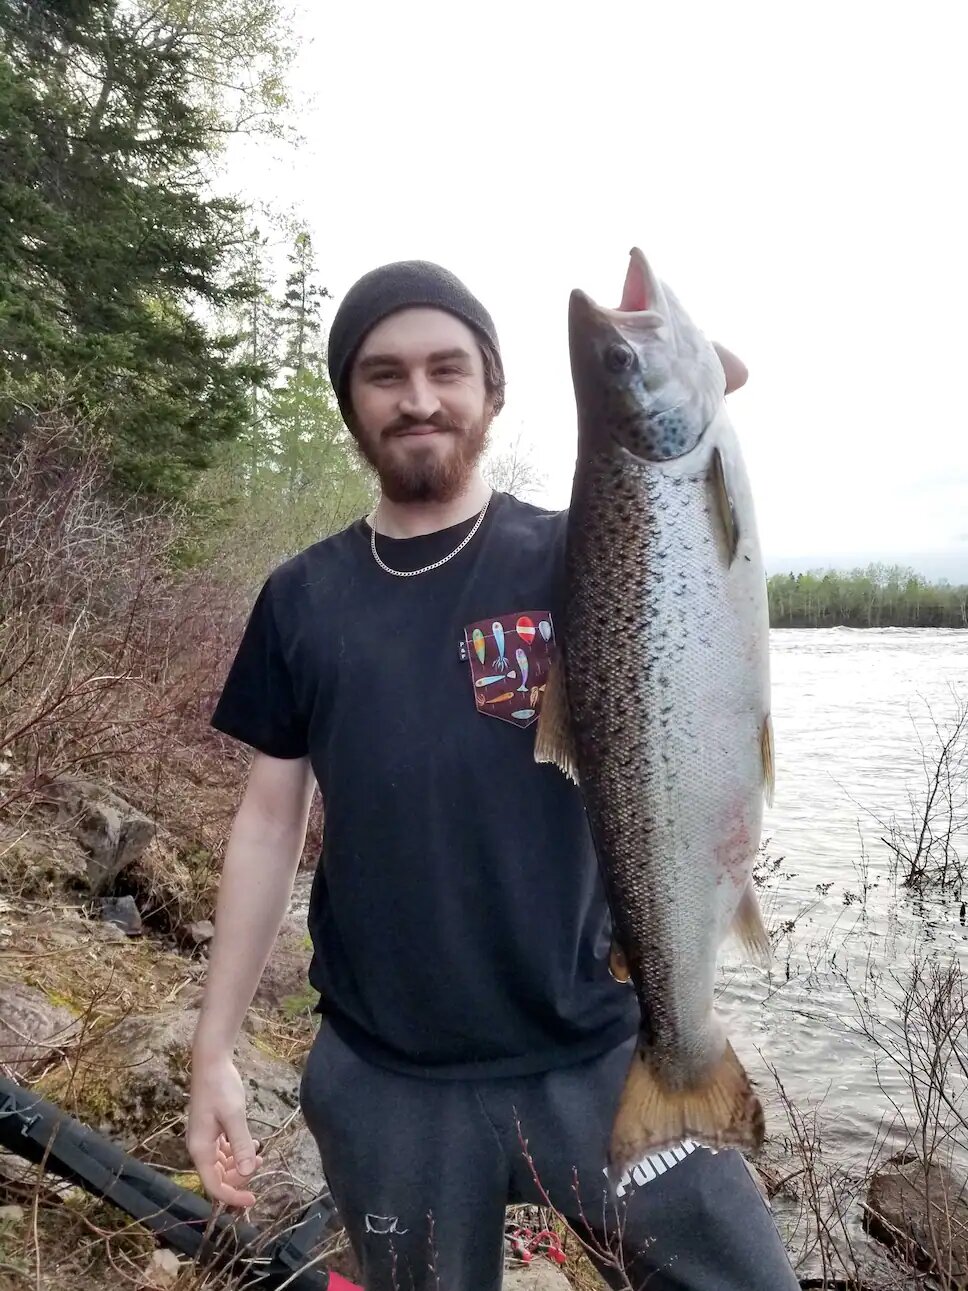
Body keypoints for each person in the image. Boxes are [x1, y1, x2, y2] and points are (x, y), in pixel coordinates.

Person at [187, 260, 799, 1291]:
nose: (418, 398)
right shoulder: (300, 598)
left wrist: (678, 378)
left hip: (605, 1050)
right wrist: (212, 1051)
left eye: (446, 368)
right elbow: (265, 822)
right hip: (388, 1073)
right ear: (348, 400)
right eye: (382, 374)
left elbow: (684, 493)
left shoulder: (576, 550)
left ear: (492, 388)